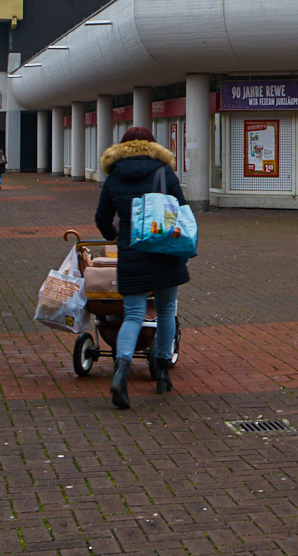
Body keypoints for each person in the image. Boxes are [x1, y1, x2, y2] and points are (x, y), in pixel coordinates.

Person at [94, 127, 191, 409]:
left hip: (131, 252)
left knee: (134, 314)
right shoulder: (163, 171)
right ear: (151, 144)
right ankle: (161, 372)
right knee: (165, 311)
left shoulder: (114, 176)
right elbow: (181, 208)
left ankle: (122, 367)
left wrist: (114, 236)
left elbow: (102, 217)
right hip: (164, 250)